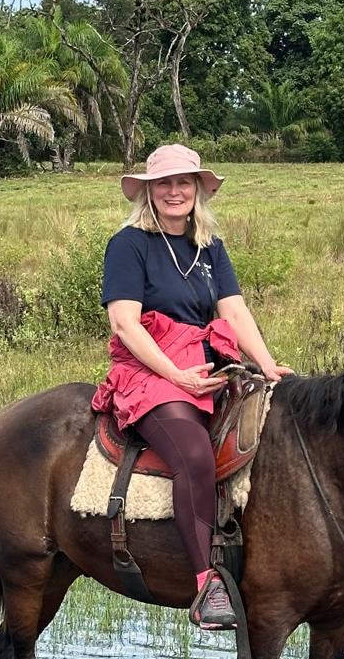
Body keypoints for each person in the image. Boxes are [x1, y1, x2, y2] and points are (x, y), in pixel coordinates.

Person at [91, 143, 291, 630]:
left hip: (208, 367)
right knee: (194, 454)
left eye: (184, 182)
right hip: (150, 370)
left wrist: (267, 366)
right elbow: (125, 323)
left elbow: (234, 311)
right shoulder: (129, 244)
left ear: (198, 189)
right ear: (149, 191)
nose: (174, 191)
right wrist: (174, 374)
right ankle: (206, 584)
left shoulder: (209, 247)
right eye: (164, 183)